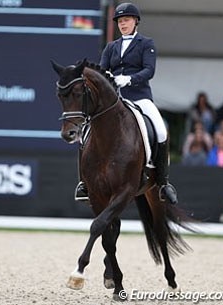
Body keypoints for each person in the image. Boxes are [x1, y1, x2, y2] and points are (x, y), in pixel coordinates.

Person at [75, 2, 178, 205]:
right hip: (115, 101)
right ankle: (83, 183)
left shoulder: (146, 44)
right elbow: (102, 72)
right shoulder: (111, 47)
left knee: (161, 130)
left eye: (126, 20)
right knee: (85, 133)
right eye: (120, 21)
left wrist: (129, 79)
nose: (123, 24)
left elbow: (149, 70)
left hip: (139, 97)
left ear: (135, 21)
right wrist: (109, 79)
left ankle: (163, 183)